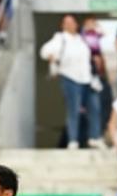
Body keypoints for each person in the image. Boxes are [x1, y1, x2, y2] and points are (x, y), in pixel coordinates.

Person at [40, 15, 100, 148]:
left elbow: (96, 44)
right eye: (66, 23)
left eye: (72, 22)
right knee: (74, 109)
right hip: (70, 77)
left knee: (94, 107)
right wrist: (51, 57)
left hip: (87, 78)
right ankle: (73, 140)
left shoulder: (82, 39)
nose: (70, 25)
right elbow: (44, 51)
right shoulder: (59, 38)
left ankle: (94, 137)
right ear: (62, 25)